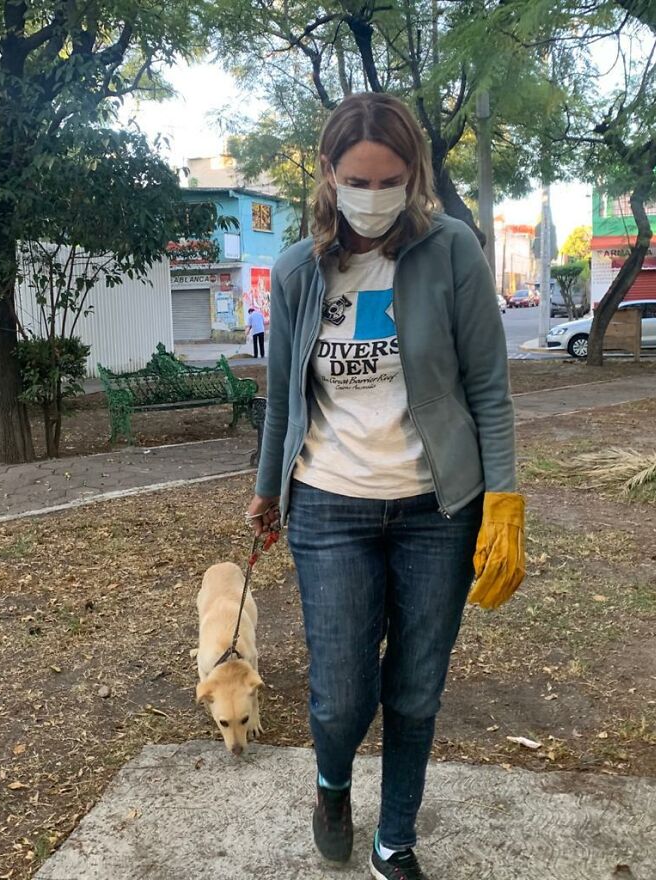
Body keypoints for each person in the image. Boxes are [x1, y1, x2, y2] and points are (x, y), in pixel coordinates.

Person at [246, 92, 525, 880]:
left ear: (415, 175)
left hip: (439, 509)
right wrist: (268, 494)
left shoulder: (453, 252)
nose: (374, 194)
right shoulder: (300, 268)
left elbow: (490, 392)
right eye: (358, 178)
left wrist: (503, 498)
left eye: (391, 178)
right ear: (330, 173)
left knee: (414, 691)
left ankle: (393, 839)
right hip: (329, 504)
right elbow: (284, 398)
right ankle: (332, 786)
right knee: (339, 695)